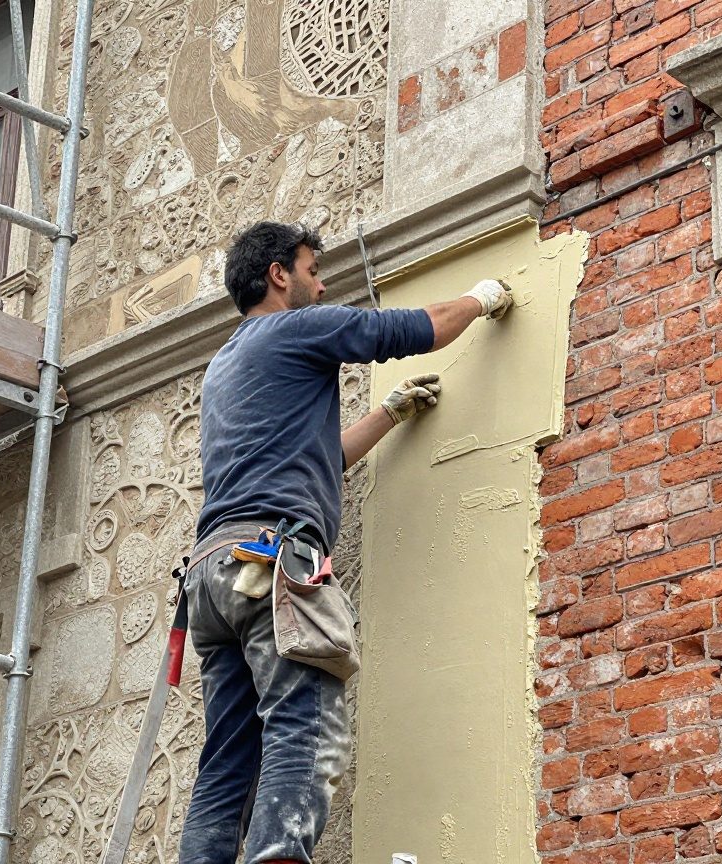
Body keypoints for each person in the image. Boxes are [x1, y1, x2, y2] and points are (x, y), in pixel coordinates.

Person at [179, 221, 513, 864]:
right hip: (273, 561)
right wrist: (482, 298)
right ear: (280, 273)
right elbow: (422, 326)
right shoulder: (296, 328)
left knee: (229, 755)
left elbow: (320, 459)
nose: (321, 283)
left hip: (214, 574)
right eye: (312, 269)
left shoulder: (224, 366)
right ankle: (279, 855)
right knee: (303, 716)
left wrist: (388, 414)